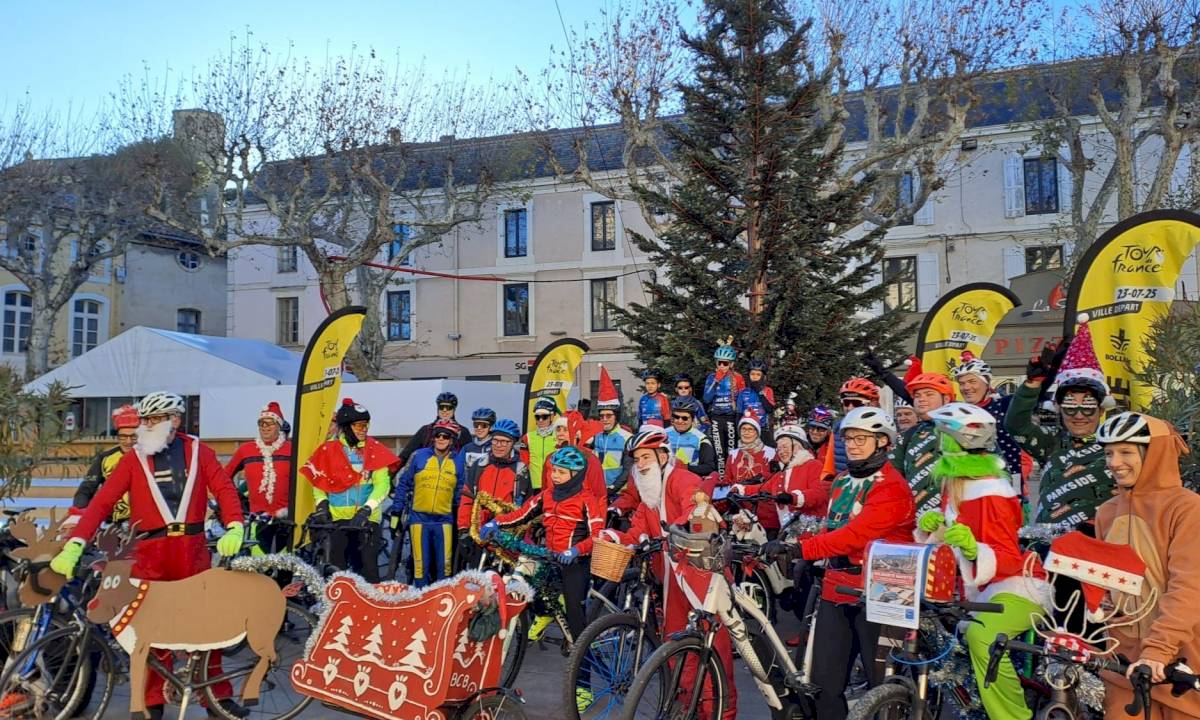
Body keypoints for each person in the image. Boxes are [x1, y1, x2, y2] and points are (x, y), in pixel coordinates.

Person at [50, 392, 248, 720]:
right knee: (151, 628)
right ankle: (151, 699)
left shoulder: (200, 451)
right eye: (145, 419)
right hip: (149, 551)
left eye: (154, 419)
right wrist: (76, 542)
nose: (147, 425)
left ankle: (215, 697)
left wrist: (235, 526)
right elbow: (102, 502)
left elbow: (225, 489)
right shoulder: (134, 458)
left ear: (175, 420)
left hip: (192, 547)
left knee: (207, 624)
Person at [766, 406, 915, 720]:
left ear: (884, 442)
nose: (854, 444)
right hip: (840, 588)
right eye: (849, 438)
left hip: (886, 590)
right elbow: (831, 529)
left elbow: (854, 536)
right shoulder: (842, 481)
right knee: (824, 684)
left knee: (884, 687)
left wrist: (799, 551)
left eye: (863, 438)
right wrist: (794, 544)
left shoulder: (892, 486)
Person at [918, 403, 1051, 720]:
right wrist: (931, 530)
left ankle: (1013, 716)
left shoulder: (991, 491)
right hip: (977, 590)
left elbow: (1006, 557)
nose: (937, 445)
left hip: (1019, 586)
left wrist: (975, 549)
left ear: (956, 441)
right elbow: (952, 543)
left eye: (941, 437)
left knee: (983, 637)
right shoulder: (956, 483)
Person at [597, 428, 736, 719]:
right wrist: (615, 536)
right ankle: (689, 707)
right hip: (672, 578)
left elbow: (695, 503)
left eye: (646, 457)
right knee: (675, 642)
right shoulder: (649, 492)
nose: (641, 464)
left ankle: (720, 712)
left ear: (663, 456)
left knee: (714, 647)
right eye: (637, 459)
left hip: (702, 575)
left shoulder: (682, 479)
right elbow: (639, 528)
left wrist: (681, 525)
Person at [1094, 412, 1200, 720]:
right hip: (1124, 666)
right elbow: (1109, 589)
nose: (1114, 462)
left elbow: (1189, 586)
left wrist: (1157, 650)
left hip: (1181, 662)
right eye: (1109, 453)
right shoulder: (1106, 513)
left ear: (1153, 454)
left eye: (1126, 451)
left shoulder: (1186, 507)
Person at [484, 446, 604, 672]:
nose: (554, 476)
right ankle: (546, 612)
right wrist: (495, 523)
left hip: (574, 563)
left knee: (577, 628)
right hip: (548, 557)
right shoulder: (547, 494)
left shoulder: (586, 499)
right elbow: (520, 515)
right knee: (528, 582)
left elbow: (598, 535)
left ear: (575, 474)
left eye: (560, 472)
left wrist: (576, 550)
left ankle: (584, 684)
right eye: (552, 471)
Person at [1005, 319, 1114, 526]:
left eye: (1088, 405)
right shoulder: (1051, 442)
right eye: (1070, 406)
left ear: (1101, 409)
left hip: (1099, 547)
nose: (1079, 415)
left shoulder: (1116, 446)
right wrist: (1032, 385)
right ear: (1059, 408)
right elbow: (1015, 424)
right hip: (1050, 547)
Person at [301, 398, 396, 582]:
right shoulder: (328, 449)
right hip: (337, 521)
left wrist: (367, 509)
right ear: (345, 426)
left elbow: (383, 485)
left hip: (366, 521)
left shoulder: (375, 449)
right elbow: (318, 482)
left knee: (368, 574)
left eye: (366, 425)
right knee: (338, 575)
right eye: (359, 425)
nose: (364, 429)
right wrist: (322, 506)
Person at [391, 420, 464, 587]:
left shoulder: (459, 461)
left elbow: (461, 494)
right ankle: (419, 603)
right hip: (419, 520)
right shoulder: (418, 456)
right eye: (437, 435)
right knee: (420, 568)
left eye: (445, 436)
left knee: (444, 568)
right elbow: (403, 484)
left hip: (444, 521)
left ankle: (441, 607)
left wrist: (464, 521)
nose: (440, 438)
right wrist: (396, 512)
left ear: (451, 440)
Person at [225, 402, 292, 558]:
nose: (265, 427)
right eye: (261, 423)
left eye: (270, 423)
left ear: (279, 426)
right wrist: (235, 501)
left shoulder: (292, 449)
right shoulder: (246, 450)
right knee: (257, 572)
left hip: (287, 522)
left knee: (284, 572)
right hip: (257, 522)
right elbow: (223, 477)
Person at [951, 351, 1023, 486]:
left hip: (1008, 478)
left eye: (972, 381)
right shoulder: (957, 412)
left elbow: (1031, 396)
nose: (966, 387)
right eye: (962, 383)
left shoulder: (1005, 405)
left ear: (987, 383)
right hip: (969, 480)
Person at [893, 371, 955, 517]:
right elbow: (892, 476)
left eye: (929, 394)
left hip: (957, 518)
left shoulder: (965, 429)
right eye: (917, 396)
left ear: (946, 399)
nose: (921, 399)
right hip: (915, 520)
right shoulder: (907, 435)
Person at [70, 404, 140, 525]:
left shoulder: (150, 457)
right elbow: (86, 489)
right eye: (123, 437)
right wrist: (79, 512)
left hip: (144, 522)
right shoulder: (105, 458)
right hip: (113, 523)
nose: (128, 441)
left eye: (133, 437)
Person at [725, 413, 778, 535]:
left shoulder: (770, 453)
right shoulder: (733, 454)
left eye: (751, 429)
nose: (746, 433)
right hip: (739, 507)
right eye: (743, 429)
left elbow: (773, 480)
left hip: (762, 509)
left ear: (757, 432)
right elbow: (728, 479)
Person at [703, 339, 746, 478]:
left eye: (725, 363)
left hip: (731, 417)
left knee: (732, 449)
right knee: (719, 450)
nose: (722, 366)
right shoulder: (711, 377)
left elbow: (742, 398)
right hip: (716, 417)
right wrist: (716, 381)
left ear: (731, 364)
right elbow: (707, 399)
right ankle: (721, 478)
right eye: (719, 362)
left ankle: (733, 477)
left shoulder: (737, 378)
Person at [398, 392, 472, 468]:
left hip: (452, 473)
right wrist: (389, 475)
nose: (444, 410)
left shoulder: (463, 432)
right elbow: (405, 455)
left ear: (454, 409)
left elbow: (471, 457)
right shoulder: (426, 430)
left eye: (448, 407)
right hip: (426, 472)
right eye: (441, 407)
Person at [665, 396, 718, 482]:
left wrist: (686, 467)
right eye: (676, 417)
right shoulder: (663, 434)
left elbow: (709, 467)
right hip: (666, 483)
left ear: (692, 419)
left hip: (689, 482)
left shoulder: (701, 438)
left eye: (685, 418)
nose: (680, 421)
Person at [520, 397, 560, 497]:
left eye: (544, 417)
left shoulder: (559, 436)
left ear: (552, 416)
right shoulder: (527, 437)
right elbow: (523, 463)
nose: (540, 420)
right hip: (533, 488)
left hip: (554, 485)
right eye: (537, 417)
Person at [737, 359, 777, 441]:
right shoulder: (743, 392)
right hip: (747, 430)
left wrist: (759, 392)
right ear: (748, 375)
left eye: (758, 375)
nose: (755, 377)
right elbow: (738, 414)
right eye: (752, 374)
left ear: (763, 376)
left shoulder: (768, 390)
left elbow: (769, 409)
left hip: (763, 429)